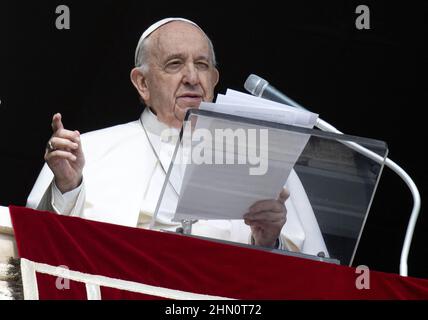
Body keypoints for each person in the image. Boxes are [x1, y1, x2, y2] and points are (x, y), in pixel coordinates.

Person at [27, 18, 328, 255]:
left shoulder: (262, 155)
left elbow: (312, 273)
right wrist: (67, 187)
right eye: (174, 64)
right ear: (142, 83)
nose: (192, 78)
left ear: (214, 79)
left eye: (202, 65)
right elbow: (38, 249)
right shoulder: (91, 150)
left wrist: (267, 241)